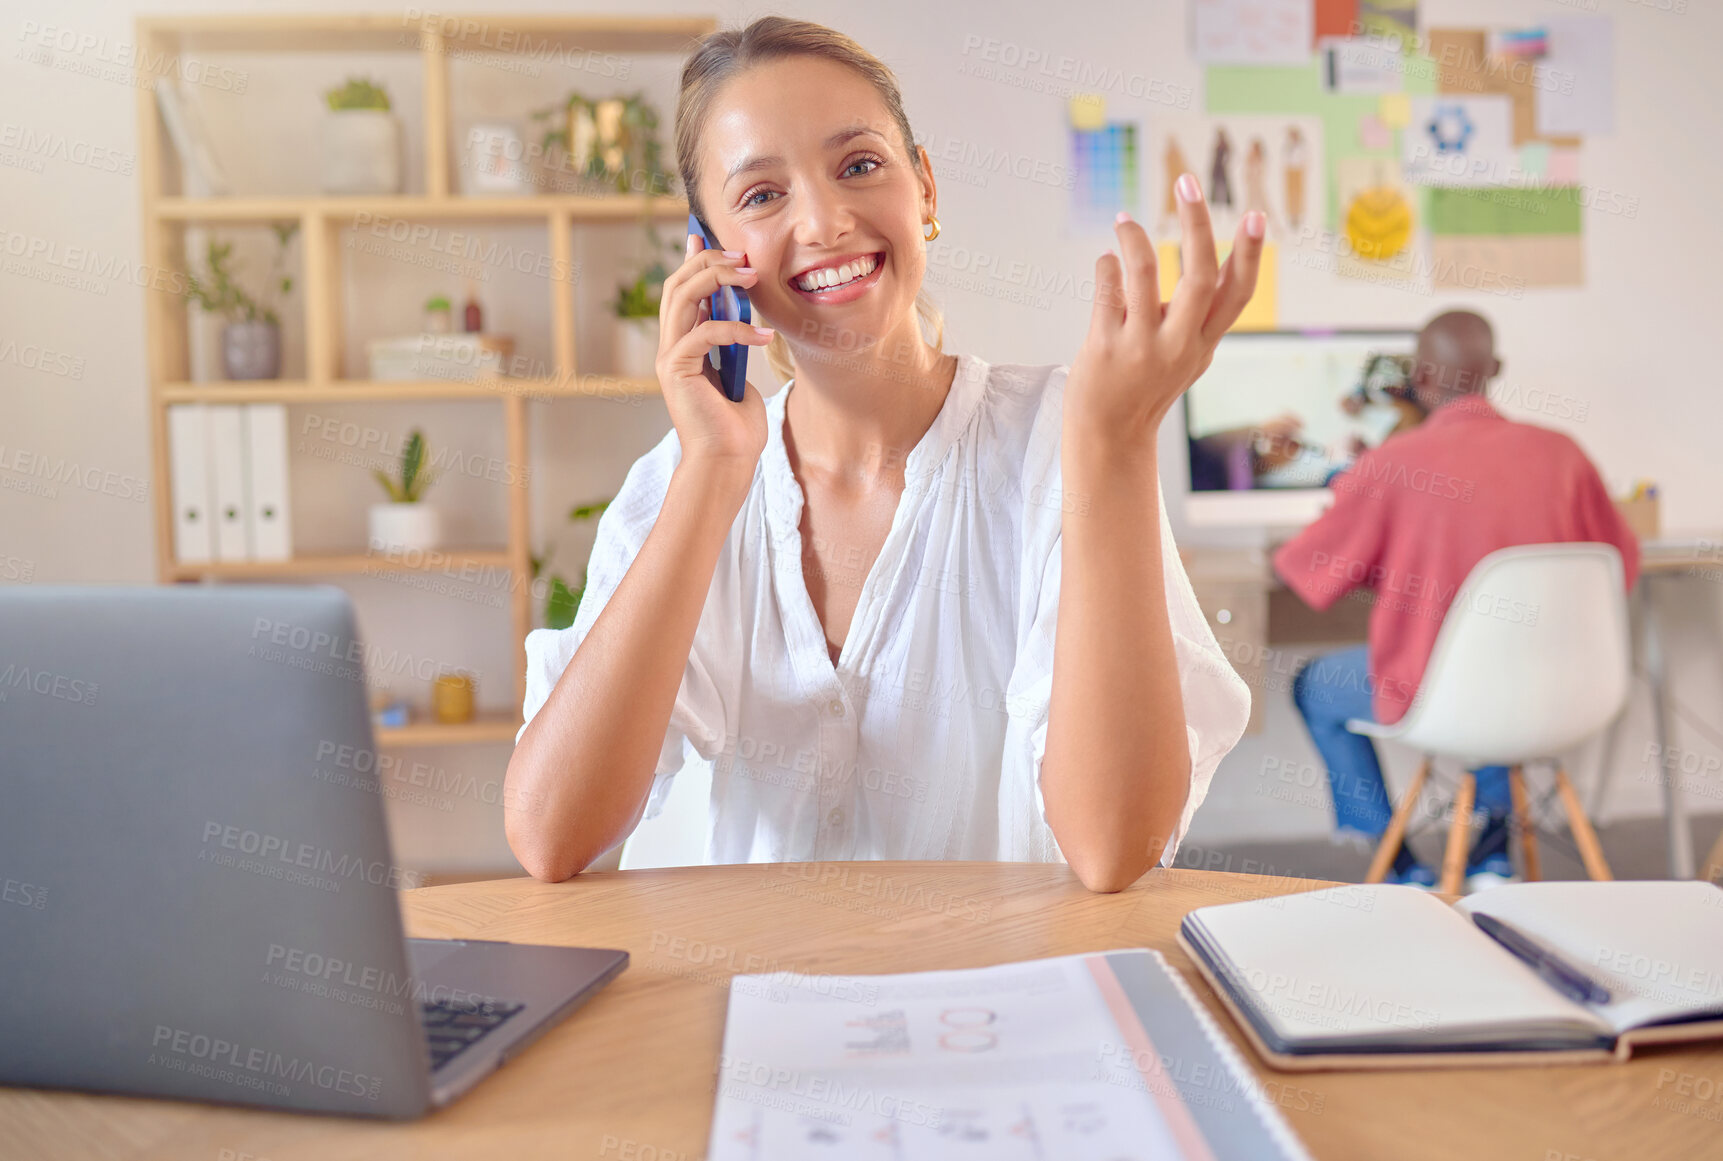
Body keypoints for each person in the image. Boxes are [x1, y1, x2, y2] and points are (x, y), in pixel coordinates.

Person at [503, 16, 1266, 891]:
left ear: (925, 187)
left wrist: (1118, 444)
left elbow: (1112, 845)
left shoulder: (1066, 442)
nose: (826, 220)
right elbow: (550, 835)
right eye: (760, 196)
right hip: (729, 1013)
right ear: (710, 252)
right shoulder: (672, 485)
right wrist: (711, 473)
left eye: (859, 165)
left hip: (1001, 1009)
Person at [1274, 311, 1640, 891]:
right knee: (1502, 674)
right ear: (1494, 370)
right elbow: (1619, 565)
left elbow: (1306, 573)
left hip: (1441, 695)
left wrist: (1392, 557)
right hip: (1557, 691)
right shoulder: (1564, 454)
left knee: (1312, 684)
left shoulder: (1393, 462)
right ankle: (1493, 854)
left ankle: (1400, 867)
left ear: (1420, 376)